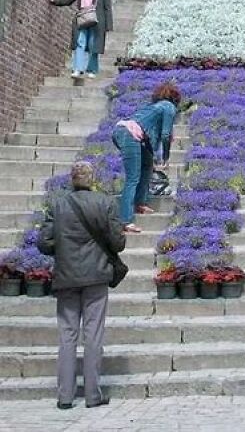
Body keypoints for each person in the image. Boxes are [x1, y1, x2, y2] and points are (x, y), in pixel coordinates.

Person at [37, 160, 125, 410]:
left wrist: (63, 247)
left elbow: (44, 242)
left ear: (72, 180)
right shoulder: (105, 202)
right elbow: (118, 243)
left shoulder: (58, 204)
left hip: (66, 277)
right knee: (93, 335)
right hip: (96, 275)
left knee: (67, 336)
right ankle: (92, 395)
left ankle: (64, 397)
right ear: (91, 179)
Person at [112, 82, 181, 233]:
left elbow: (151, 137)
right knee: (133, 178)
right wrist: (166, 158)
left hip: (125, 132)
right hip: (130, 134)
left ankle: (140, 203)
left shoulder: (153, 107)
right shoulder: (169, 107)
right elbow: (165, 135)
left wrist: (156, 158)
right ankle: (125, 221)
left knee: (148, 165)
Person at [49, 0, 113, 82]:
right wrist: (55, 1)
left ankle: (92, 70)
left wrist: (108, 25)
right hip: (82, 17)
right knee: (80, 42)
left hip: (97, 20)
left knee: (93, 44)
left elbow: (107, 7)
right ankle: (77, 69)